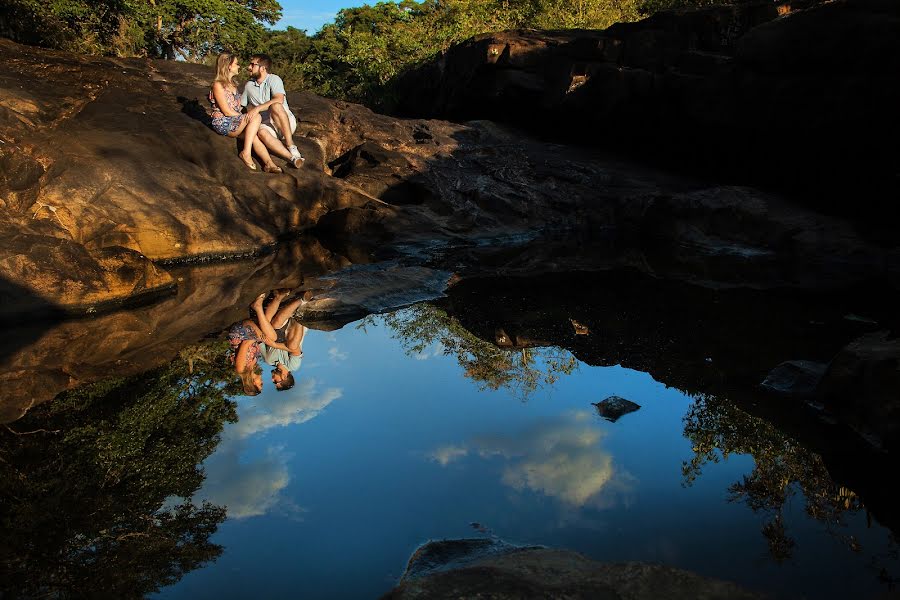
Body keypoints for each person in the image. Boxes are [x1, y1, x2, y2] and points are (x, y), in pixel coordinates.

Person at [209, 52, 283, 173]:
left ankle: (269, 164)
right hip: (224, 121)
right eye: (236, 64)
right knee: (255, 117)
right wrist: (247, 117)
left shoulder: (233, 85)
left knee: (253, 135)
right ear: (228, 66)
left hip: (236, 120)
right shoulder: (218, 85)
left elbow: (240, 106)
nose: (239, 66)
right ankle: (246, 153)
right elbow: (227, 112)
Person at [242, 54, 305, 169]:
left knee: (275, 105)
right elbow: (241, 106)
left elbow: (279, 99)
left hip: (284, 122)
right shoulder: (248, 86)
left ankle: (290, 145)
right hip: (268, 125)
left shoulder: (274, 79)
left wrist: (257, 109)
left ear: (262, 68)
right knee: (260, 132)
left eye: (252, 64)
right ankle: (293, 159)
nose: (249, 67)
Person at [227, 293, 281, 395]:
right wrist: (262, 338)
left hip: (240, 334)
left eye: (260, 384)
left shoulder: (241, 369)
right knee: (268, 324)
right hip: (250, 336)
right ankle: (277, 298)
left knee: (272, 337)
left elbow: (245, 344)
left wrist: (263, 338)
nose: (262, 382)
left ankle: (259, 306)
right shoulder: (253, 366)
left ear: (253, 383)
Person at [258, 289, 310, 391]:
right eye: (276, 382)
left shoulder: (268, 360)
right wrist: (275, 345)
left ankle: (297, 299)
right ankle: (300, 314)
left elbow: (261, 340)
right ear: (284, 377)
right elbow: (295, 350)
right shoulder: (293, 366)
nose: (272, 380)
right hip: (294, 332)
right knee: (292, 346)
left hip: (275, 332)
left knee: (273, 324)